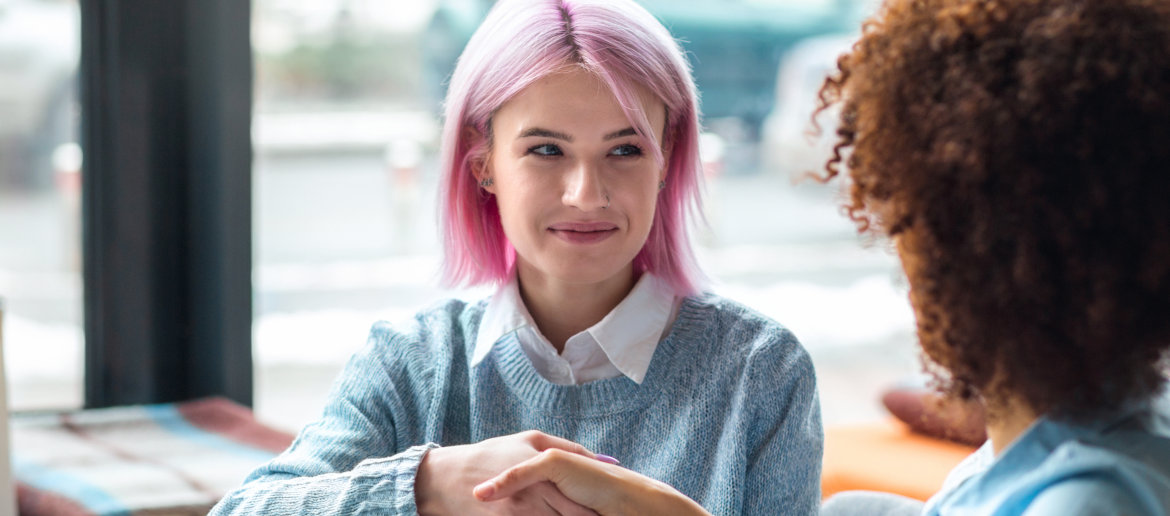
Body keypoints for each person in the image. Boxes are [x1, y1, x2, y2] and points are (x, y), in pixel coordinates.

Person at [470, 0, 1170, 514]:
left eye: (910, 232)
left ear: (987, 262)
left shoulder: (1088, 501)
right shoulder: (1068, 443)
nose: (907, 269)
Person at [210, 0, 822, 514]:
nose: (586, 194)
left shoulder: (761, 371)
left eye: (625, 150)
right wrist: (426, 484)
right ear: (484, 167)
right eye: (547, 149)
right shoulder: (411, 362)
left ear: (666, 162)